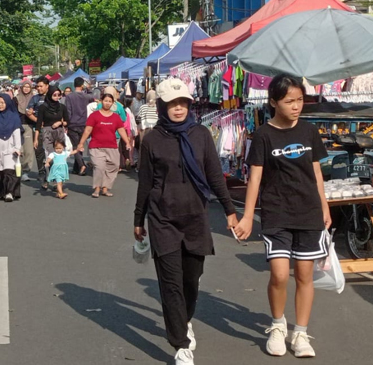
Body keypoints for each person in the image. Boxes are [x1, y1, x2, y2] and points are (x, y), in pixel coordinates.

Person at [134, 78, 238, 365]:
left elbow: (215, 175)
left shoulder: (201, 134)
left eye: (183, 103)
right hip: (162, 219)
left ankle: (185, 320)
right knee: (171, 285)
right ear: (162, 106)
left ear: (189, 105)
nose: (178, 109)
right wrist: (138, 219)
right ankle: (180, 345)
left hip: (195, 218)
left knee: (190, 280)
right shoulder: (152, 140)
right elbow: (144, 181)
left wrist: (230, 210)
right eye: (172, 104)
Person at [234, 74, 331, 359]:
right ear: (274, 102)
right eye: (290, 101)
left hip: (309, 211)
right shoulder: (264, 135)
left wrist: (325, 207)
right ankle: (278, 325)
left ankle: (300, 332)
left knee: (304, 275)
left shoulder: (309, 132)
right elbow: (254, 179)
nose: (297, 106)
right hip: (277, 212)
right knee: (278, 275)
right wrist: (248, 217)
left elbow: (316, 173)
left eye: (300, 100)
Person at [77, 92, 131, 197]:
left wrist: (127, 142)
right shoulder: (94, 115)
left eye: (110, 101)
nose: (107, 103)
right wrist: (81, 143)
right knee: (99, 167)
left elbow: (121, 130)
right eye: (105, 101)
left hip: (112, 146)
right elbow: (88, 130)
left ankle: (105, 188)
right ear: (101, 101)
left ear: (112, 103)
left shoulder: (116, 117)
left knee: (114, 166)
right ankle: (97, 188)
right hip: (96, 146)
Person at [0, 93, 22, 202]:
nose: (0, 105)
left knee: (10, 170)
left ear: (7, 103)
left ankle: (10, 192)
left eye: (2, 103)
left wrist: (17, 147)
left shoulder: (13, 116)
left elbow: (17, 132)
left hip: (10, 145)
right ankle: (0, 192)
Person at [34, 86, 69, 190]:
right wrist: (36, 139)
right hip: (47, 132)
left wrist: (60, 122)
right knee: (51, 156)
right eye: (55, 95)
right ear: (50, 95)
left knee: (59, 156)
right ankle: (51, 178)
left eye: (59, 95)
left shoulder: (62, 107)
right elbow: (39, 123)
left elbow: (67, 121)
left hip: (59, 132)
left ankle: (56, 180)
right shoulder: (43, 107)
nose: (57, 97)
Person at [64, 77, 95, 175]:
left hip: (72, 123)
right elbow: (93, 97)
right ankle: (76, 168)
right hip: (83, 123)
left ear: (74, 85)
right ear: (82, 85)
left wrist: (66, 124)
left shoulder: (69, 96)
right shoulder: (86, 96)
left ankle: (81, 165)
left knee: (75, 146)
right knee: (80, 145)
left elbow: (68, 111)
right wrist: (89, 88)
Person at [26, 77, 50, 184]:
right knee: (39, 150)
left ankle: (54, 173)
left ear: (47, 86)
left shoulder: (53, 96)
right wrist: (38, 121)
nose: (39, 88)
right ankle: (41, 172)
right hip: (38, 129)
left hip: (51, 128)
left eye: (41, 86)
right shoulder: (34, 98)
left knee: (52, 151)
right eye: (37, 86)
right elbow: (28, 113)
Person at [13, 81, 35, 181]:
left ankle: (25, 172)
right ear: (21, 88)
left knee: (28, 150)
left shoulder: (34, 99)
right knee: (18, 150)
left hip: (29, 126)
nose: (26, 89)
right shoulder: (16, 99)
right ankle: (17, 169)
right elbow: (13, 112)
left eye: (28, 87)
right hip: (17, 126)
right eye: (24, 87)